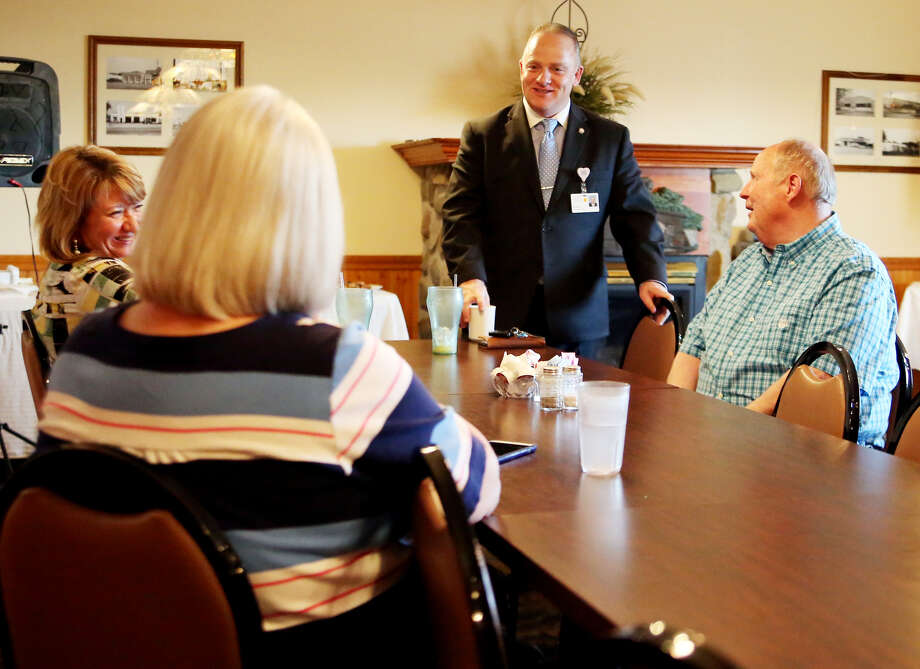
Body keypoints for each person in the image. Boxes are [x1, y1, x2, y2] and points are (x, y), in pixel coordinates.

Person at [36, 86, 500, 661]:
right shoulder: (340, 367)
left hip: (112, 646)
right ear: (312, 221)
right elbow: (472, 489)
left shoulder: (87, 355)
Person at [441, 22, 671, 360]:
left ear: (576, 75)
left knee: (575, 412)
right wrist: (471, 277)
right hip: (500, 317)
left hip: (578, 321)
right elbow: (459, 215)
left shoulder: (609, 139)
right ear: (522, 68)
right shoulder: (483, 135)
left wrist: (652, 277)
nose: (543, 78)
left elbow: (635, 217)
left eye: (556, 68)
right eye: (534, 66)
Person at [667, 139, 897, 447]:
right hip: (721, 446)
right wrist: (677, 423)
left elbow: (816, 391)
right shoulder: (748, 261)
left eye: (755, 177)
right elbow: (693, 347)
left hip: (802, 460)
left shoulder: (853, 271)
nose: (744, 191)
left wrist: (717, 440)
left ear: (791, 186)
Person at [31, 145, 145, 362]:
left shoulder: (64, 270)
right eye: (117, 212)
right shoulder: (98, 274)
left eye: (137, 207)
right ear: (73, 221)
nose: (133, 226)